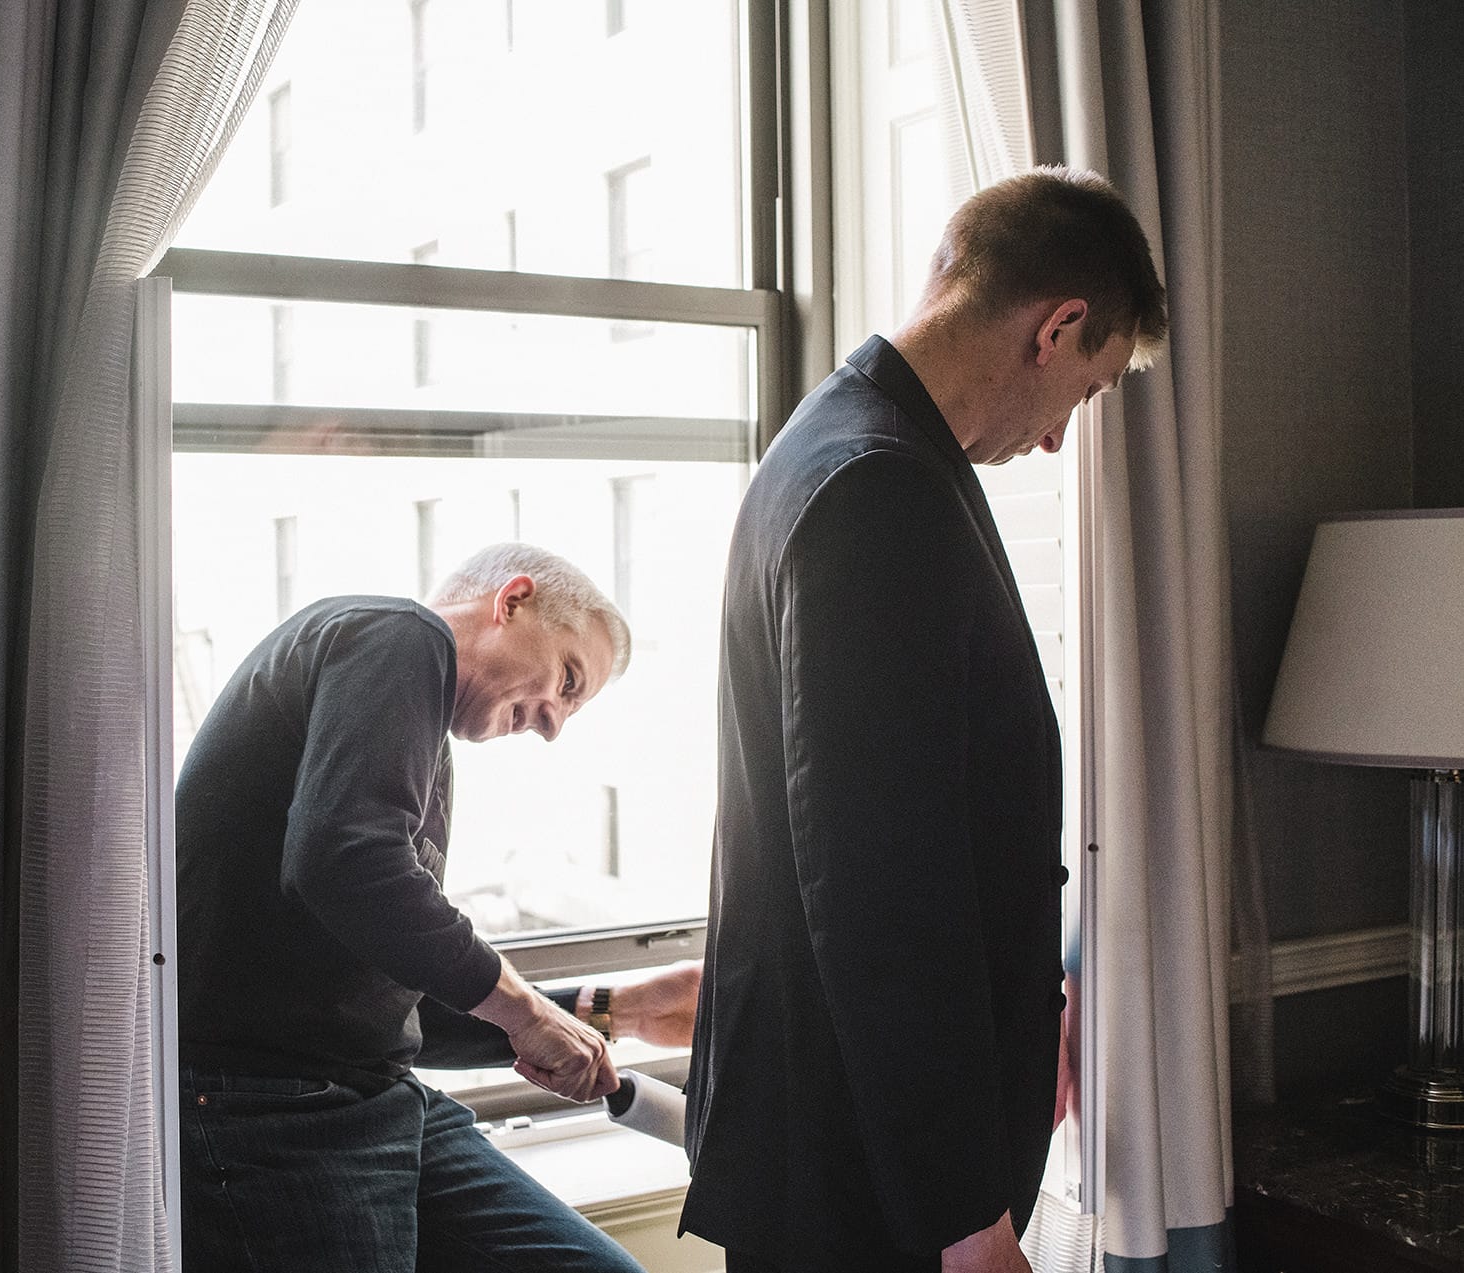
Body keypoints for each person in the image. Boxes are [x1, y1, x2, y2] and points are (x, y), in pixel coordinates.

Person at [680, 166, 1168, 1272]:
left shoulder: (835, 440)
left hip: (847, 1145)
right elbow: (880, 885)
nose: (1056, 441)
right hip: (870, 1181)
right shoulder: (877, 489)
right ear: (1060, 327)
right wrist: (966, 1220)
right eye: (1086, 395)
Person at [177, 541, 677, 1272]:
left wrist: (607, 1008)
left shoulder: (412, 739)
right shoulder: (400, 634)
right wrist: (527, 1012)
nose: (552, 725)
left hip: (381, 1099)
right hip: (277, 1114)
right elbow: (346, 863)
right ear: (512, 601)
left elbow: (399, 996)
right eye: (568, 680)